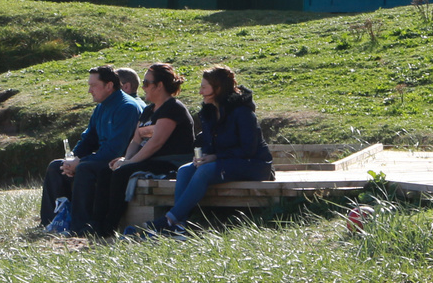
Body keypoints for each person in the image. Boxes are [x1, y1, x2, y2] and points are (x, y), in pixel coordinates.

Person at [140, 64, 273, 238]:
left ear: (217, 89)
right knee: (185, 169)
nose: (200, 92)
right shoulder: (209, 112)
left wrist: (215, 157)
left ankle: (169, 220)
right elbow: (210, 143)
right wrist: (202, 156)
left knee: (206, 170)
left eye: (204, 88)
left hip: (254, 165)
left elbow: (249, 149)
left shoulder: (243, 112)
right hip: (225, 162)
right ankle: (180, 226)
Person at [38, 66, 142, 236]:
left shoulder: (127, 107)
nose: (89, 90)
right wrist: (72, 159)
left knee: (85, 169)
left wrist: (81, 163)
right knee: (56, 166)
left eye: (93, 86)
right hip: (102, 157)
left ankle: (79, 227)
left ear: (109, 86)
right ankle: (51, 222)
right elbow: (88, 139)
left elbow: (116, 149)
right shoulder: (101, 107)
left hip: (119, 161)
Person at [100, 63, 198, 235]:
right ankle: (95, 220)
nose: (143, 87)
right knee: (106, 170)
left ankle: (109, 226)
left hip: (170, 162)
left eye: (146, 83)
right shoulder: (148, 110)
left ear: (159, 85)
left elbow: (156, 143)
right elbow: (136, 140)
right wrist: (125, 159)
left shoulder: (173, 108)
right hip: (150, 160)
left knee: (122, 173)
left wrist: (130, 163)